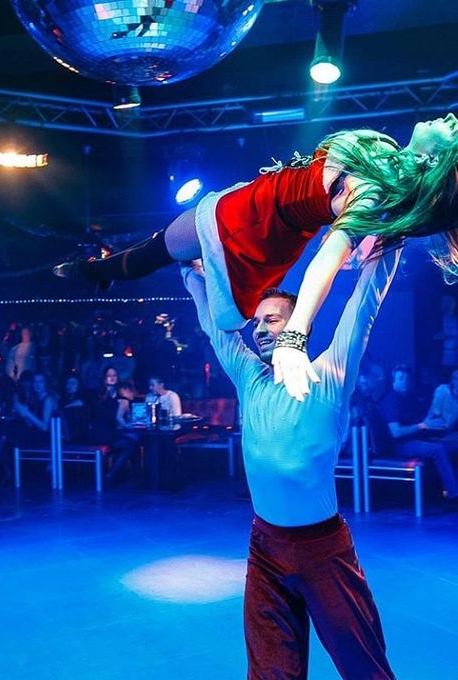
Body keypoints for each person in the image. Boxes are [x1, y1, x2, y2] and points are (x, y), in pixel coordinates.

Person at [54, 115, 458, 400]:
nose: (450, 120)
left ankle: (96, 271)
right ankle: (101, 271)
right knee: (164, 245)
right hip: (261, 196)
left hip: (254, 223)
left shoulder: (373, 193)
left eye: (454, 134)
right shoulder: (385, 155)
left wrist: (294, 336)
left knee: (163, 247)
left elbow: (329, 257)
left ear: (437, 161)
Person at [181, 240, 401, 679]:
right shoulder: (250, 377)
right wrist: (189, 270)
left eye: (272, 319)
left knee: (363, 665)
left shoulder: (329, 374)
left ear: (299, 324)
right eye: (257, 322)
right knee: (269, 671)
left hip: (323, 550)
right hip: (265, 546)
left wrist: (390, 241)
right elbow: (213, 326)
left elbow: (363, 305)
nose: (260, 329)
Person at [378, 365, 458, 504]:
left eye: (407, 379)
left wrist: (432, 423)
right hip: (401, 445)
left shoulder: (409, 398)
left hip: (418, 439)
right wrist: (422, 426)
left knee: (453, 445)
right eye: (401, 378)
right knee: (437, 449)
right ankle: (454, 495)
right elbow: (396, 432)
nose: (404, 381)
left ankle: (447, 489)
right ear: (393, 381)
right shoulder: (390, 402)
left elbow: (423, 419)